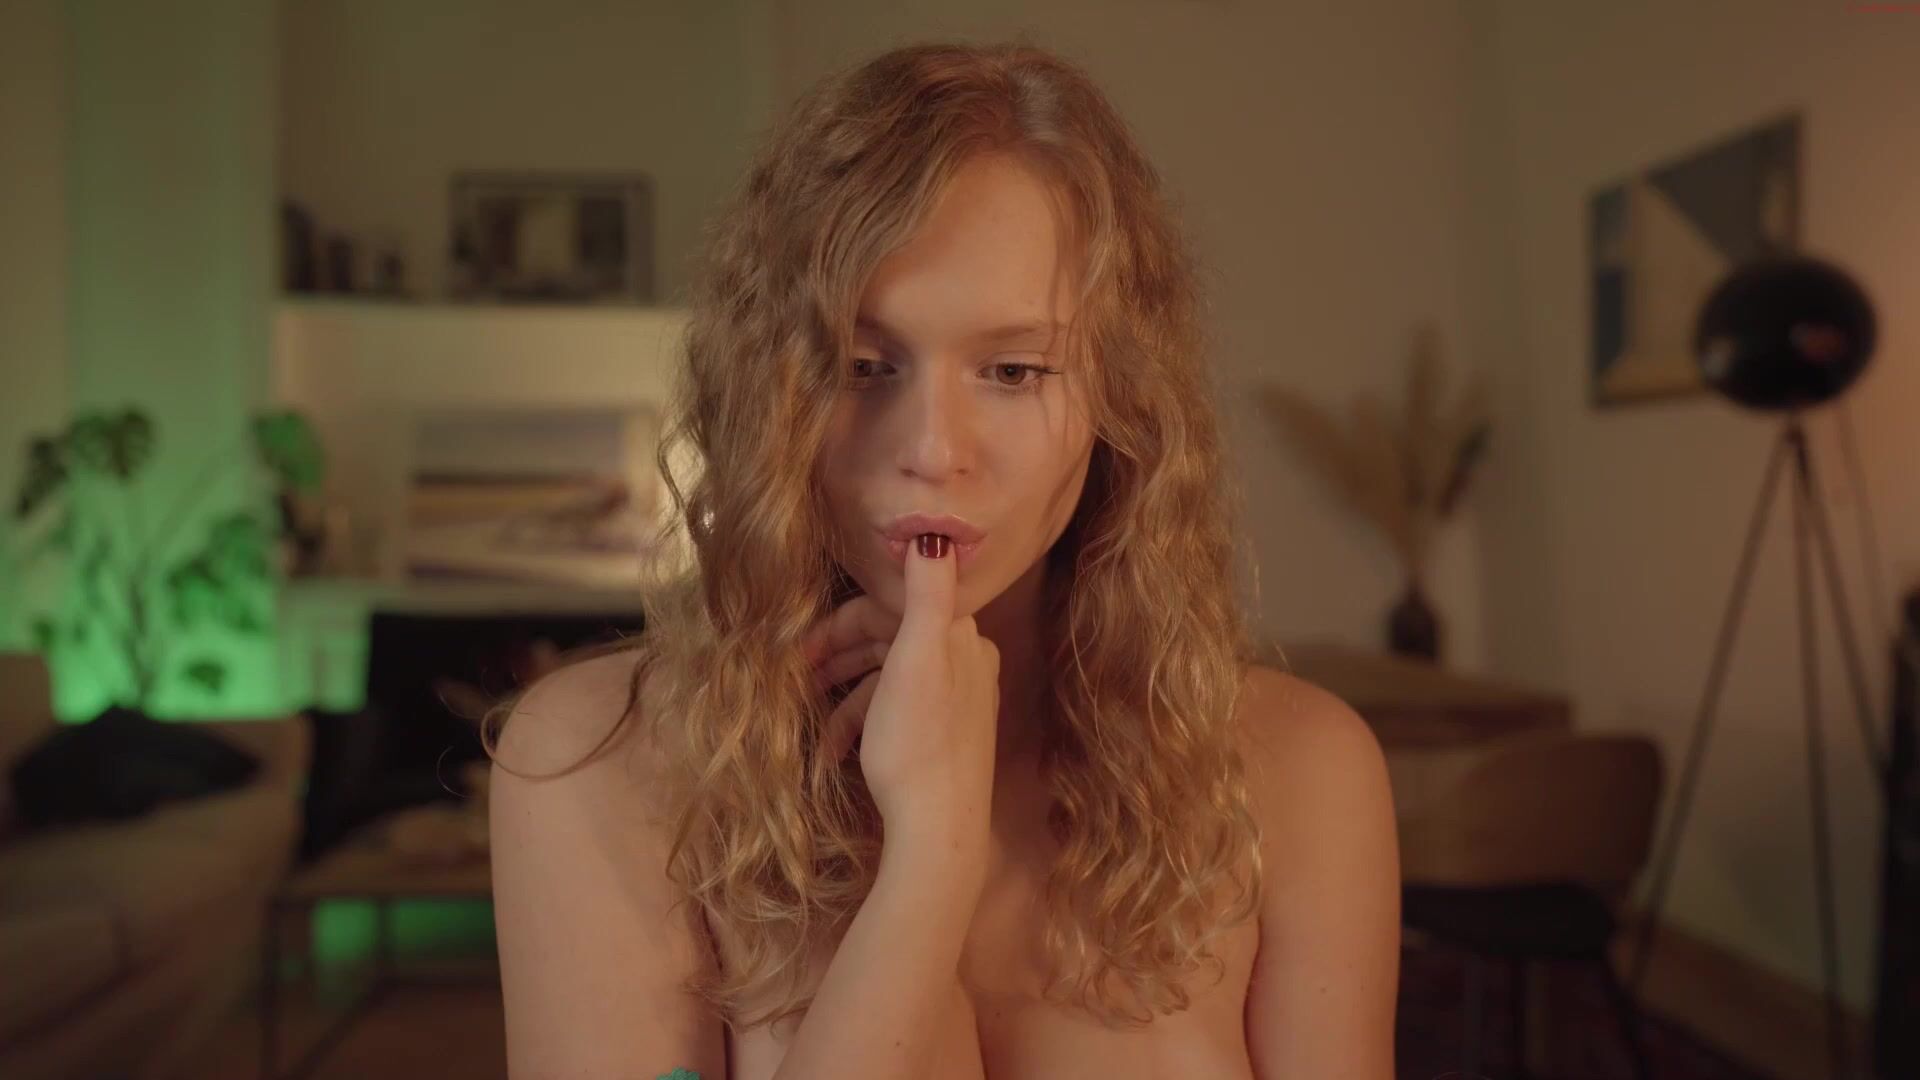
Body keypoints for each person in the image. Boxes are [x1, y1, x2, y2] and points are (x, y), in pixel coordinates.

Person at [485, 39, 1399, 1080]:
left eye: (1013, 371)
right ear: (768, 393)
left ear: (1121, 398)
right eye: (862, 366)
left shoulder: (1297, 772)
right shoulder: (602, 764)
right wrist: (928, 864)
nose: (932, 449)